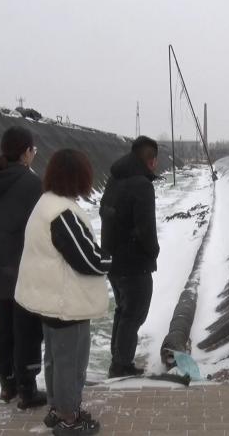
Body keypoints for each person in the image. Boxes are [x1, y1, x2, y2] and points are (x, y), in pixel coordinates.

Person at [15, 149, 109, 435]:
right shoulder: (62, 213)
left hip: (49, 300)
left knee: (55, 360)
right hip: (66, 303)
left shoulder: (45, 203)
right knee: (71, 363)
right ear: (79, 177)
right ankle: (70, 419)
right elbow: (87, 259)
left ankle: (58, 410)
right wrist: (113, 260)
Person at [0, 126, 47, 409]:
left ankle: (7, 384)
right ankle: (27, 390)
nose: (34, 155)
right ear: (26, 152)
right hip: (21, 269)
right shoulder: (30, 184)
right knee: (27, 328)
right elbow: (42, 229)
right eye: (33, 150)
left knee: (2, 325)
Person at [99, 136, 160, 378]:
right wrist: (153, 251)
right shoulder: (142, 185)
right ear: (151, 160)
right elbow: (146, 227)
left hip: (113, 259)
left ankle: (118, 358)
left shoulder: (115, 178)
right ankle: (121, 365)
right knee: (134, 313)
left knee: (123, 310)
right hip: (135, 262)